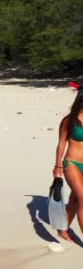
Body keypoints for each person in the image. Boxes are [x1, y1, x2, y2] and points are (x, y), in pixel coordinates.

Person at [54, 83, 83, 241]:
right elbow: (61, 143)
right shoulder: (69, 120)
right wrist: (57, 166)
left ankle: (63, 229)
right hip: (71, 164)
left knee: (75, 200)